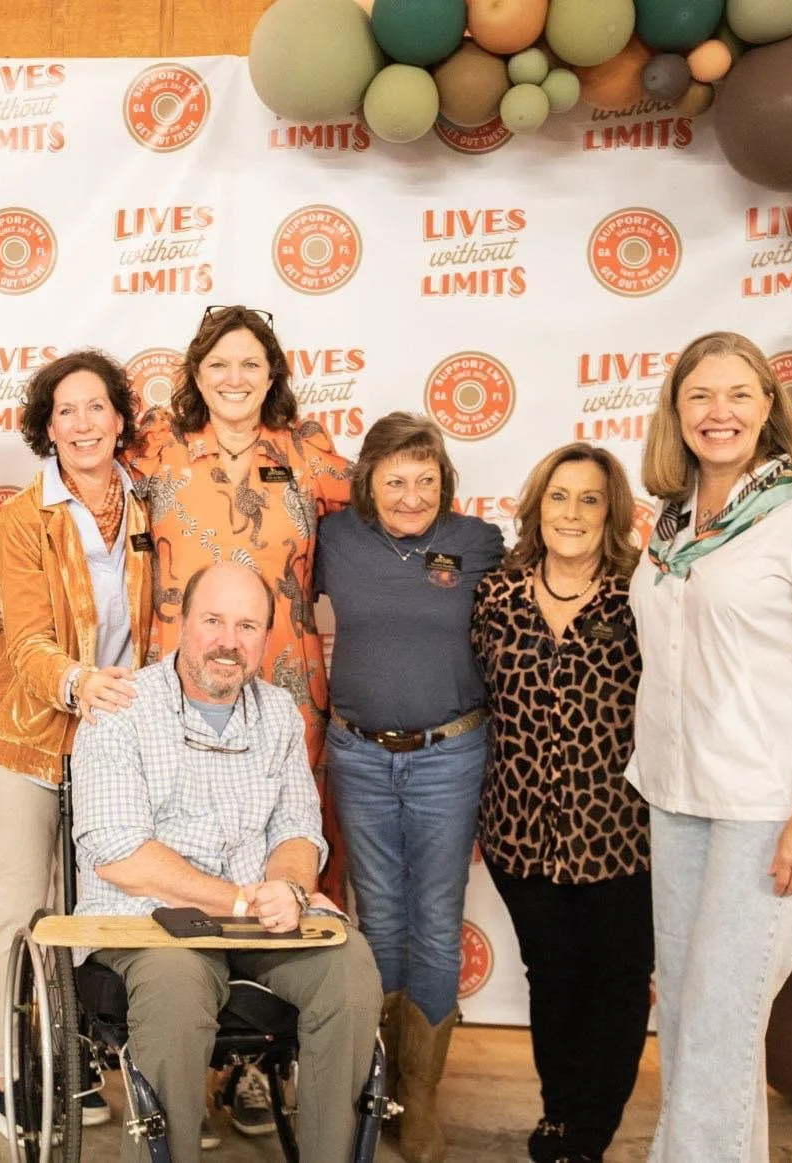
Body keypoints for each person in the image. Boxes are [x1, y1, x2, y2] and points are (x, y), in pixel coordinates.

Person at [630, 331, 792, 1161]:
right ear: (677, 411)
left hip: (772, 807)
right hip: (678, 795)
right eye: (700, 395)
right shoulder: (670, 522)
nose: (719, 411)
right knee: (699, 1025)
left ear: (769, 405)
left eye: (739, 393)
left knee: (719, 1028)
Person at [71, 562, 384, 1163]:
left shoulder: (279, 716)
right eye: (213, 620)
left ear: (267, 638)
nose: (228, 641)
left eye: (247, 626)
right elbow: (119, 854)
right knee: (177, 988)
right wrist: (239, 899)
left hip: (255, 924)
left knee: (348, 968)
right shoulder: (121, 708)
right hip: (148, 922)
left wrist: (289, 889)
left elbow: (297, 829)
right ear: (180, 623)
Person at [128, 305, 351, 1135]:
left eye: (250, 364)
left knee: (284, 852)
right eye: (219, 363)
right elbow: (76, 456)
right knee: (184, 848)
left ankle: (258, 1066)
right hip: (182, 688)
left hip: (287, 689)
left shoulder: (307, 455)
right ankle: (182, 1050)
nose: (234, 377)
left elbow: (395, 505)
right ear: (195, 373)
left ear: (273, 374)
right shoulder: (155, 449)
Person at [0, 350, 151, 1134]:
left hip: (114, 734)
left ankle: (79, 1064)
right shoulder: (21, 517)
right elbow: (30, 637)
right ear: (46, 425)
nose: (82, 423)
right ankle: (3, 1075)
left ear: (119, 420)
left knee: (109, 902)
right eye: (65, 410)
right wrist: (78, 681)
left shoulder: (150, 504)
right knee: (24, 899)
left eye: (96, 407)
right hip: (20, 728)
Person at [313, 411, 504, 1163]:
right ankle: (379, 1083)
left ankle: (420, 1096)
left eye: (426, 477)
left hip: (449, 753)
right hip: (356, 752)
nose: (411, 491)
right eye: (395, 477)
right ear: (368, 482)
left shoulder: (479, 541)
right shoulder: (337, 540)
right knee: (380, 918)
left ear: (445, 482)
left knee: (433, 917)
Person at [471, 443, 649, 1163]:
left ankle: (590, 1130)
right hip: (519, 829)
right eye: (559, 496)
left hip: (620, 830)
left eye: (590, 498)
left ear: (612, 514)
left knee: (618, 979)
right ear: (536, 506)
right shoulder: (495, 596)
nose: (571, 512)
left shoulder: (642, 594)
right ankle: (558, 1110)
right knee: (552, 975)